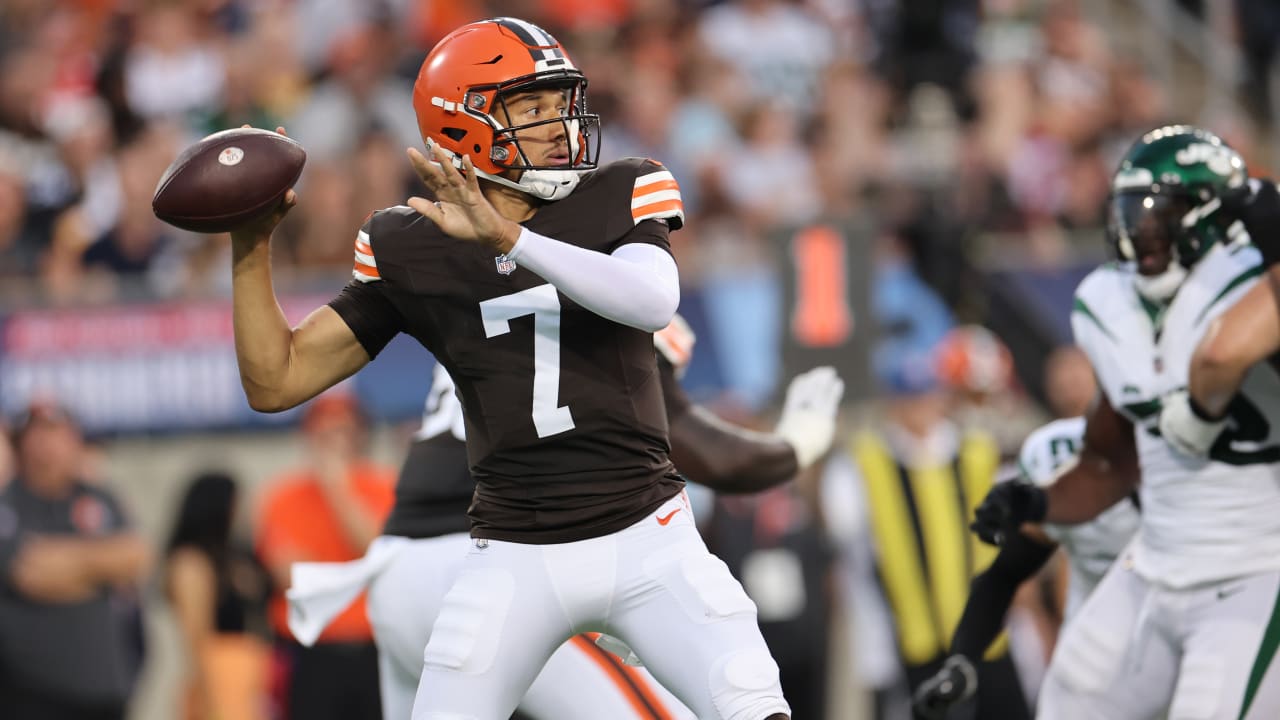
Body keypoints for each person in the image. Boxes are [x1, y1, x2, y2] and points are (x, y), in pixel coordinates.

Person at [227, 17, 794, 720]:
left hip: (649, 537)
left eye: (560, 103)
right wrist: (249, 250)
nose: (559, 123)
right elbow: (275, 381)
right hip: (515, 554)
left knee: (752, 703)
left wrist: (509, 237)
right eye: (532, 108)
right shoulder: (411, 243)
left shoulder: (621, 188)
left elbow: (651, 299)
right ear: (462, 127)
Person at [287, 316, 843, 719]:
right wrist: (797, 443)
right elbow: (709, 451)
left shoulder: (485, 282)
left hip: (401, 575)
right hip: (497, 564)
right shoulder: (609, 288)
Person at [971, 125, 1280, 719]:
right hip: (1155, 564)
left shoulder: (1251, 287)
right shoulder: (1112, 304)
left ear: (1211, 217)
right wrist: (1035, 504)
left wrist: (1207, 393)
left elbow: (1223, 352)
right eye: (1132, 214)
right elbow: (1112, 463)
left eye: (1159, 215)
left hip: (1255, 570)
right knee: (1067, 707)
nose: (1141, 234)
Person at [821, 345, 1032, 720]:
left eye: (927, 396)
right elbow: (851, 551)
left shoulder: (977, 450)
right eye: (910, 398)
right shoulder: (863, 462)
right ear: (892, 403)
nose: (921, 409)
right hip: (916, 636)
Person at [910, 416, 1141, 719]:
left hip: (1179, 632)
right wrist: (962, 662)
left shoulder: (1171, 484)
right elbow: (1003, 576)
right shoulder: (1054, 476)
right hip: (1094, 648)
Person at [0, 399, 151, 720]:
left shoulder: (97, 497)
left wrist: (68, 564)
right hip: (32, 697)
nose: (47, 447)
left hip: (104, 698)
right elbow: (30, 572)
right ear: (20, 445)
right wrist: (101, 572)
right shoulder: (10, 504)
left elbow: (136, 556)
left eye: (58, 435)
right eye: (37, 437)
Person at [254, 393, 395, 720]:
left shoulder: (384, 486)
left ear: (360, 435)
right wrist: (357, 572)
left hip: (375, 647)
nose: (332, 444)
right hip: (311, 651)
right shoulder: (282, 496)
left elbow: (379, 553)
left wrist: (339, 488)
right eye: (323, 434)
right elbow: (289, 576)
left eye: (341, 432)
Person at [165, 470, 272, 720]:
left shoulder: (236, 558)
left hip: (251, 677)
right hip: (220, 681)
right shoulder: (191, 562)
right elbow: (196, 639)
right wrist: (209, 700)